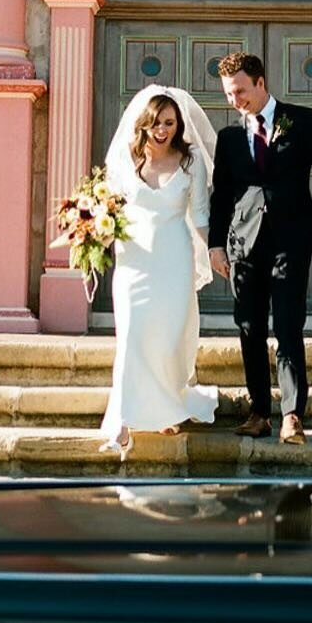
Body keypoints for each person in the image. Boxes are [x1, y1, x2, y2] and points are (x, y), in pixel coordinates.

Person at [207, 52, 312, 446]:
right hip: (243, 244)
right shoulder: (229, 138)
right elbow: (221, 196)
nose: (233, 99)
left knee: (288, 325)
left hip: (291, 239)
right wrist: (215, 246)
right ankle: (259, 412)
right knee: (250, 328)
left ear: (260, 82)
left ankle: (292, 415)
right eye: (227, 93)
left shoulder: (300, 120)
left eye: (239, 90)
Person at [99, 86, 219, 459]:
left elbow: (199, 213)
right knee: (132, 336)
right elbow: (109, 207)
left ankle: (165, 406)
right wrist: (92, 230)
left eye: (169, 122)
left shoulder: (191, 160)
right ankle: (121, 421)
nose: (162, 129)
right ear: (143, 124)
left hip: (174, 258)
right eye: (155, 123)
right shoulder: (125, 159)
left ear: (179, 124)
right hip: (133, 259)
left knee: (167, 340)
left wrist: (216, 250)